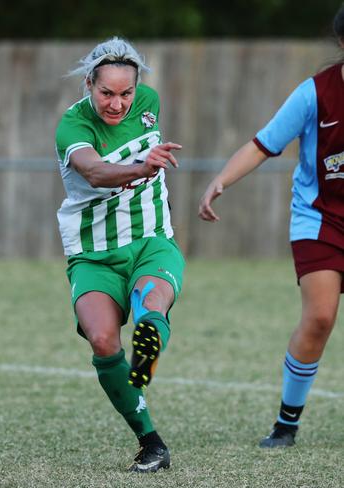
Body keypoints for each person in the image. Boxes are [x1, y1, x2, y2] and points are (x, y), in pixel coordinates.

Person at [198, 5, 344, 448]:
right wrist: (220, 179)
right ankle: (286, 423)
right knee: (319, 318)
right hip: (319, 220)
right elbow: (263, 145)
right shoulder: (314, 94)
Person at [54, 37, 184, 473]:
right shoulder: (72, 126)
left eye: (125, 92)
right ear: (88, 84)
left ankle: (147, 349)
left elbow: (148, 143)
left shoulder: (149, 102)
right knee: (103, 341)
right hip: (92, 253)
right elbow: (93, 170)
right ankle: (150, 442)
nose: (117, 103)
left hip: (151, 240)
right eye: (107, 93)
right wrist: (142, 169)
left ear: (137, 87)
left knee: (151, 304)